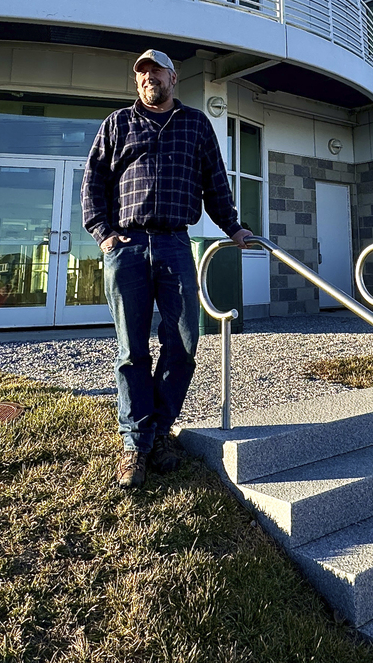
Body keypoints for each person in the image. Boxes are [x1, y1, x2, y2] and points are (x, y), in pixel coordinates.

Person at [82, 49, 253, 492]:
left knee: (183, 343)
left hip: (176, 242)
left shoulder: (196, 124)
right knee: (131, 350)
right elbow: (93, 183)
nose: (148, 78)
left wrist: (233, 227)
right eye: (141, 73)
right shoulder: (118, 123)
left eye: (155, 71)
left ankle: (157, 431)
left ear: (173, 78)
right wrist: (103, 234)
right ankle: (136, 446)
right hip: (128, 245)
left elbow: (215, 181)